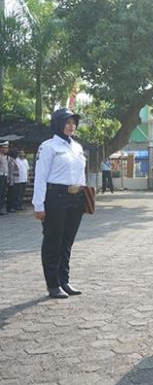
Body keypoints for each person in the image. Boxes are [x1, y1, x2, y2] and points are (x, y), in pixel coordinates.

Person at [32, 109, 86, 299]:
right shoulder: (48, 147)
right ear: (57, 124)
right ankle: (53, 284)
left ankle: (64, 280)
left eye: (73, 123)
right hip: (56, 198)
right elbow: (40, 177)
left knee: (67, 243)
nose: (71, 126)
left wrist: (85, 196)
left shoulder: (77, 147)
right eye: (67, 122)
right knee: (53, 241)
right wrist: (38, 204)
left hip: (76, 198)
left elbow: (81, 174)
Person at [0, 141, 9, 215]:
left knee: (3, 193)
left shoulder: (7, 157)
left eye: (7, 148)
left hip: (5, 175)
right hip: (0, 175)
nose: (6, 149)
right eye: (5, 147)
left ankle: (1, 208)